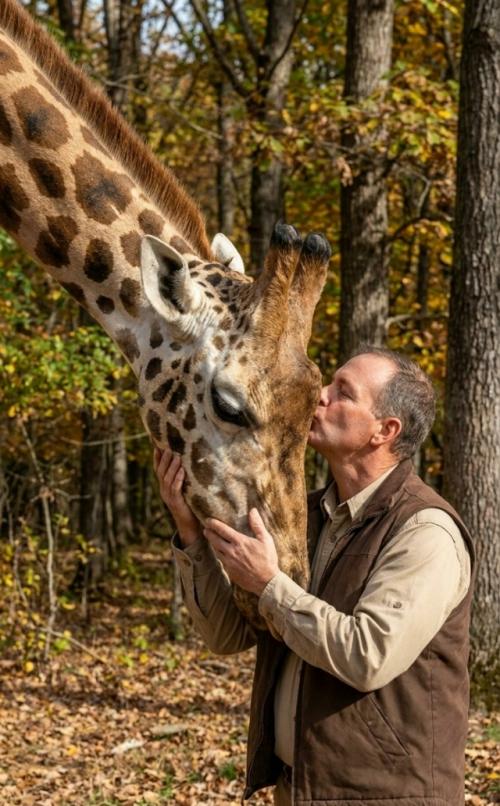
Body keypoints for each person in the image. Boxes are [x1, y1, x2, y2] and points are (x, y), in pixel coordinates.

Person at [154, 347, 473, 806]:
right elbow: (226, 635)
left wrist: (269, 585)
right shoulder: (304, 516)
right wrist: (191, 534)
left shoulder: (425, 531)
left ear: (385, 431)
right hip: (297, 789)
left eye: (343, 392)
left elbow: (368, 656)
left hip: (387, 797)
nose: (319, 395)